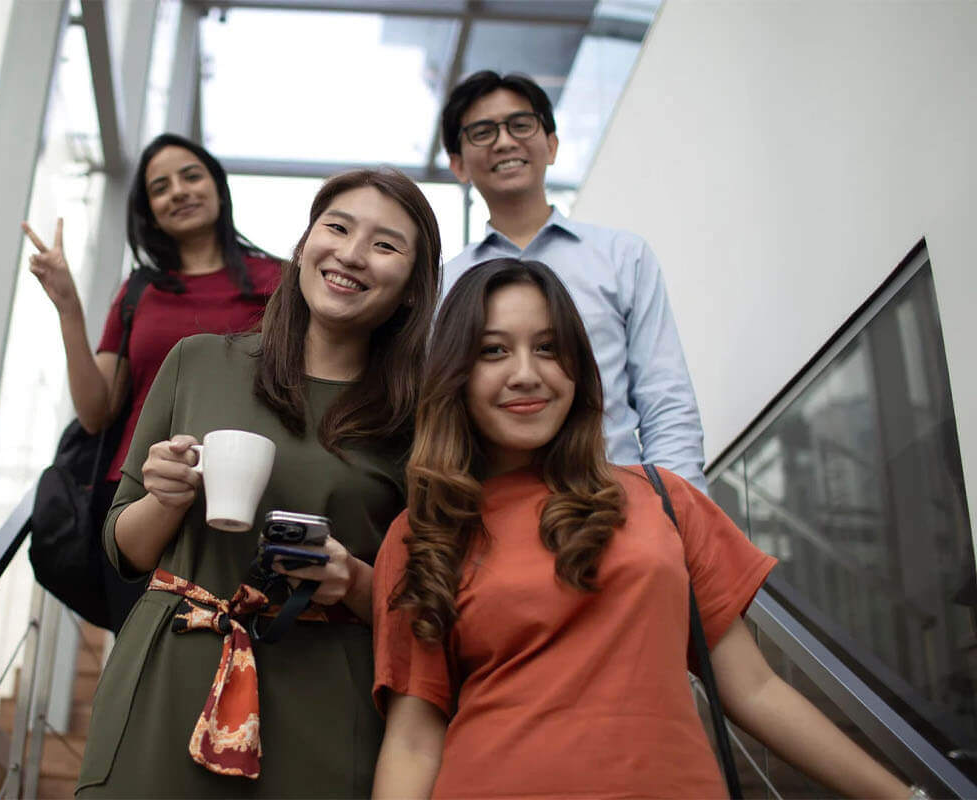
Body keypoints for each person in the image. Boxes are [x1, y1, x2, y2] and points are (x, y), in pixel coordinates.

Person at [370, 258, 914, 799]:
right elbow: (414, 742)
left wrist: (904, 798)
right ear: (456, 376)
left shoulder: (663, 499)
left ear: (576, 368)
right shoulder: (425, 531)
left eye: (548, 348)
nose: (526, 373)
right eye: (493, 351)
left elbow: (754, 689)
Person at [74, 168, 442, 797]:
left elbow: (433, 598)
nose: (351, 254)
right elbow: (125, 549)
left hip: (324, 692)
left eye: (386, 245)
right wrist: (164, 498)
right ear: (303, 247)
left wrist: (354, 580)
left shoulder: (425, 419)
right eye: (337, 227)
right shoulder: (197, 360)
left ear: (412, 288)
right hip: (171, 673)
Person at [22, 133, 280, 627]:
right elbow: (97, 412)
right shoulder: (140, 290)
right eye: (160, 187)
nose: (178, 192)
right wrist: (69, 308)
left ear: (218, 189)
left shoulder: (280, 281)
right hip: (141, 500)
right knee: (142, 657)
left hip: (244, 494)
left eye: (190, 176)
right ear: (150, 211)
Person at [440, 70, 707, 490]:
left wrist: (678, 514)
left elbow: (665, 400)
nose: (505, 141)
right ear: (458, 164)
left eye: (521, 124)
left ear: (552, 144)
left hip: (618, 504)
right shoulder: (444, 286)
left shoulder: (622, 257)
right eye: (482, 132)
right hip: (490, 519)